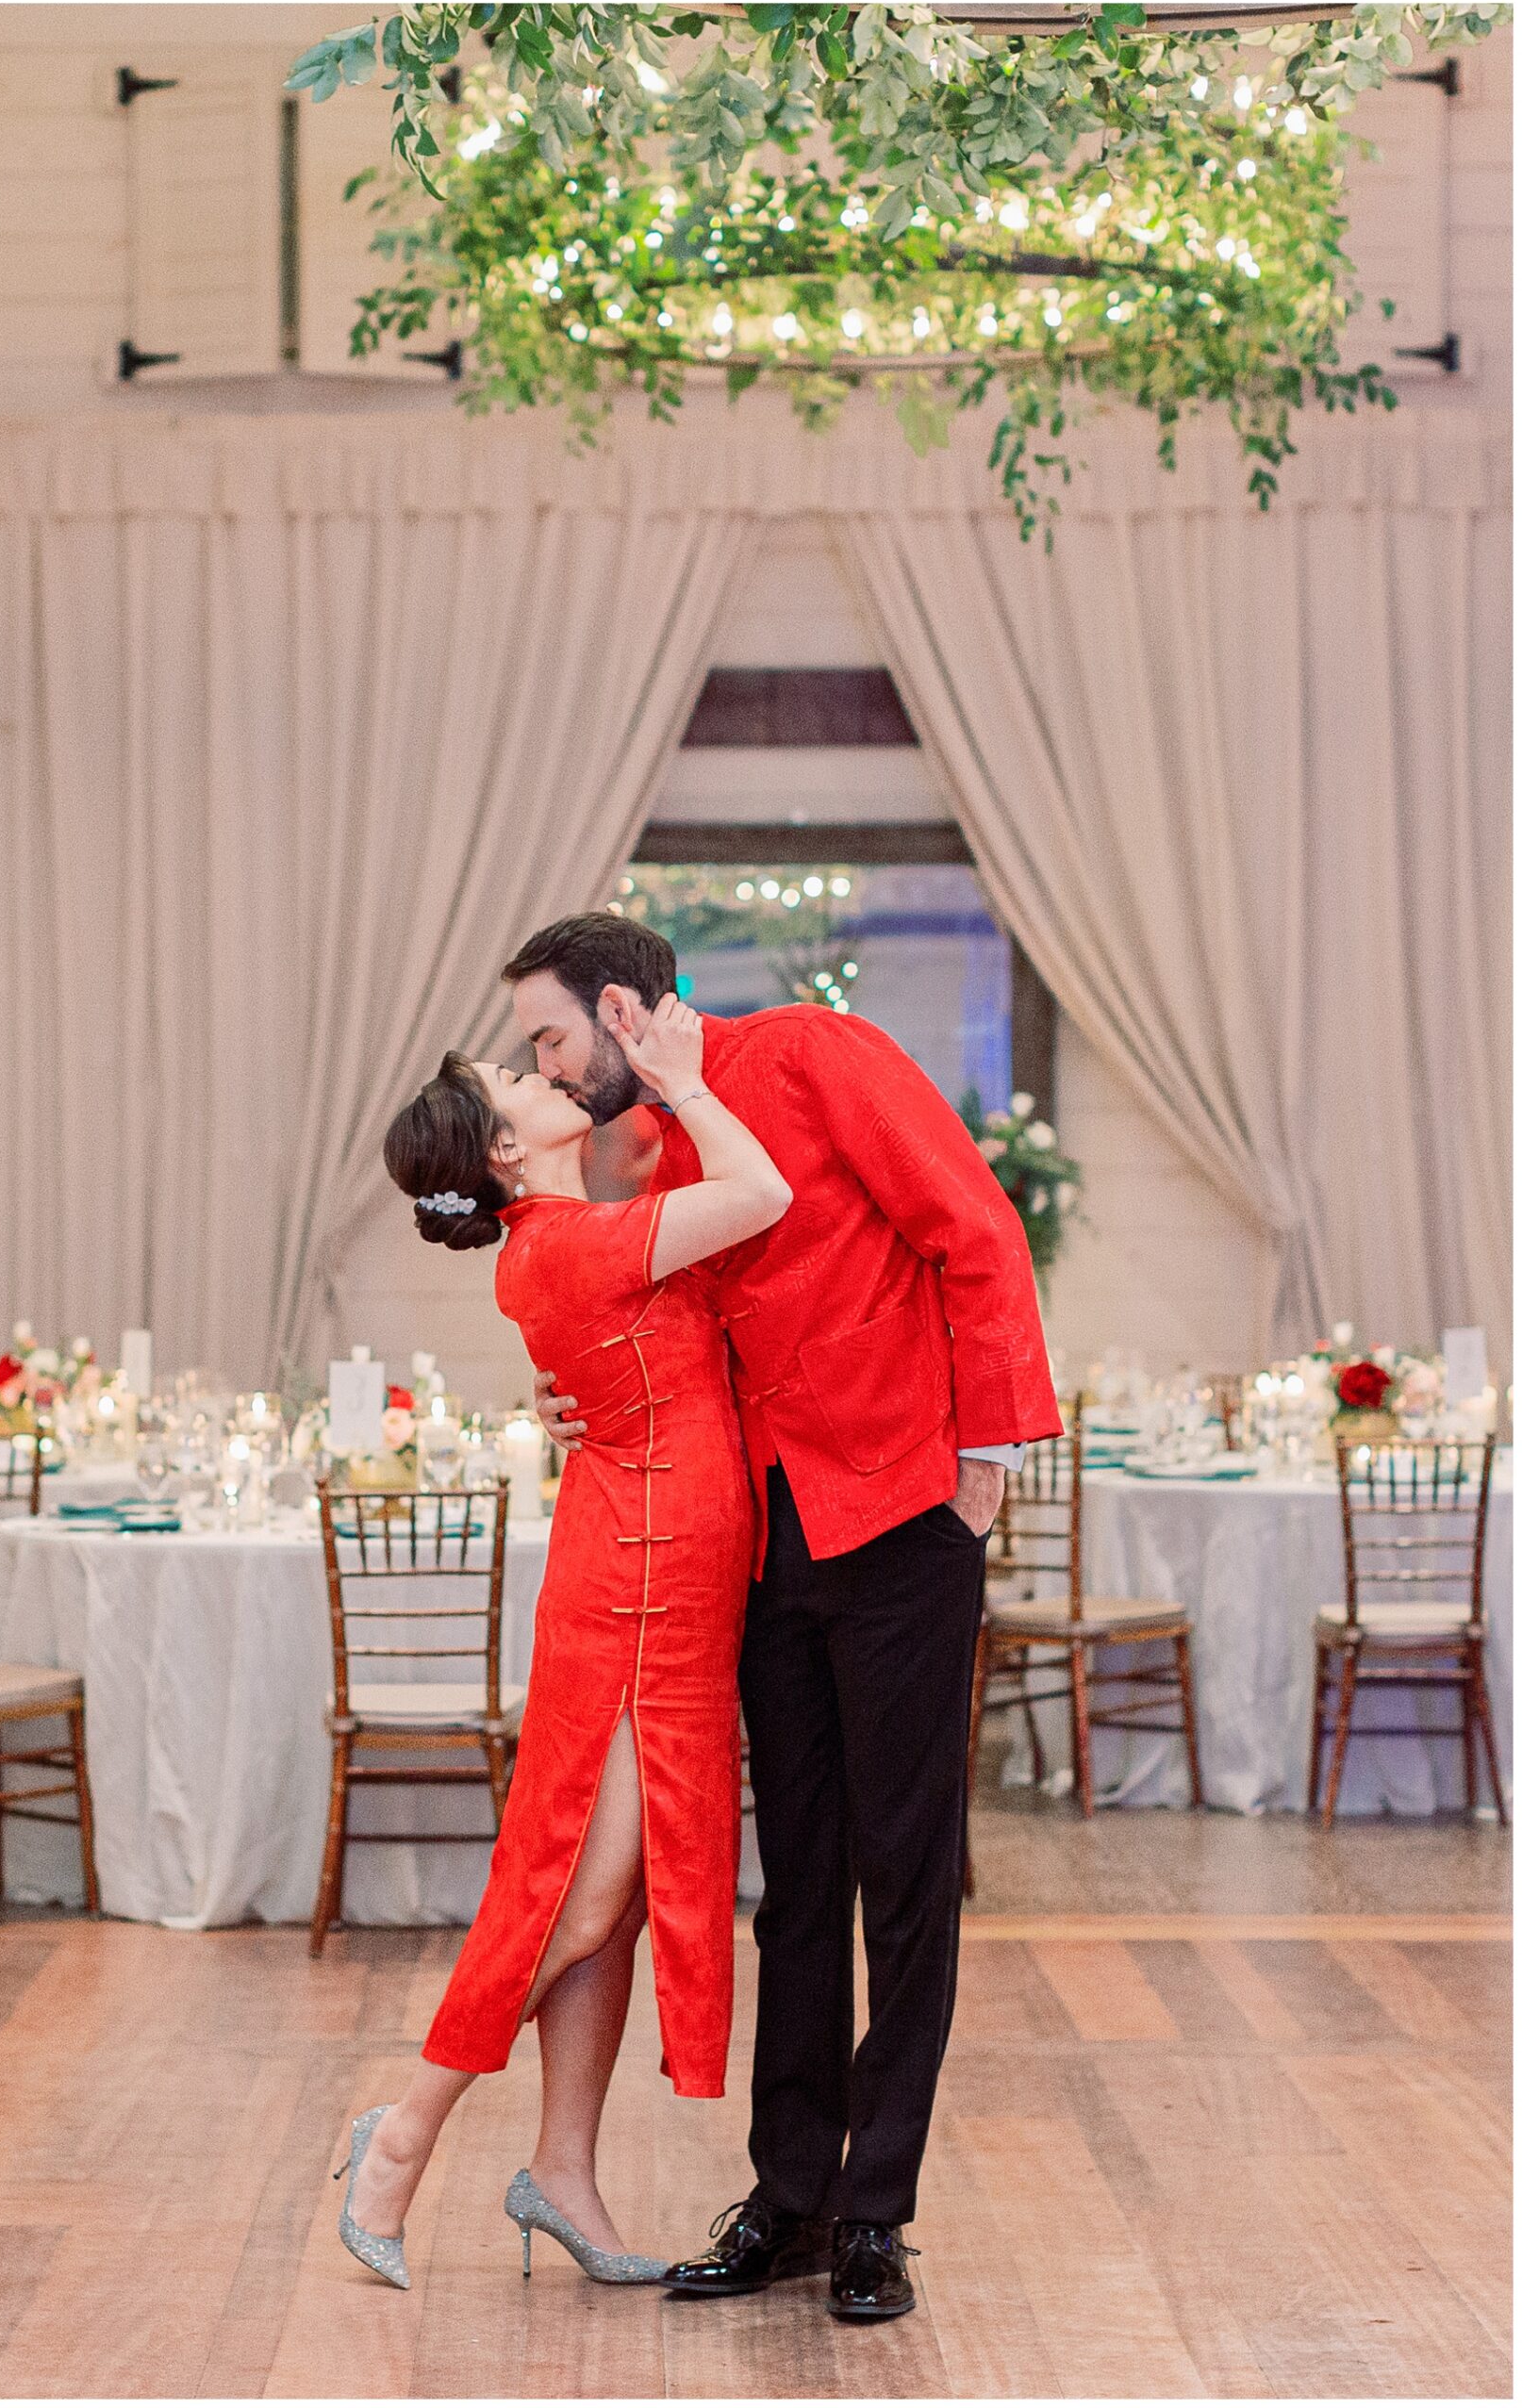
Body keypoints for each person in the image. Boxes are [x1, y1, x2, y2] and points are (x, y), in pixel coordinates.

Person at [507, 913, 1060, 2323]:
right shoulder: (658, 1143)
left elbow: (975, 1230)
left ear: (623, 1010)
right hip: (757, 1544)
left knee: (905, 1872)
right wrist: (561, 1398)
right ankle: (791, 2197)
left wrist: (980, 1467)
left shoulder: (814, 1055)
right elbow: (647, 1325)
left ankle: (877, 2207)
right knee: (796, 1878)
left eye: (552, 1039)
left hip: (900, 1516)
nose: (549, 1073)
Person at [335, 997, 791, 2291]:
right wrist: (682, 1076)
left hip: (668, 1576)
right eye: (512, 1077)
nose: (541, 1074)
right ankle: (405, 2131)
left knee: (618, 1894)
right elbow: (760, 1189)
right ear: (502, 1149)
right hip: (635, 1588)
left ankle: (564, 2175)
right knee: (579, 1889)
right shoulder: (570, 1245)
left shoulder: (573, 1238)